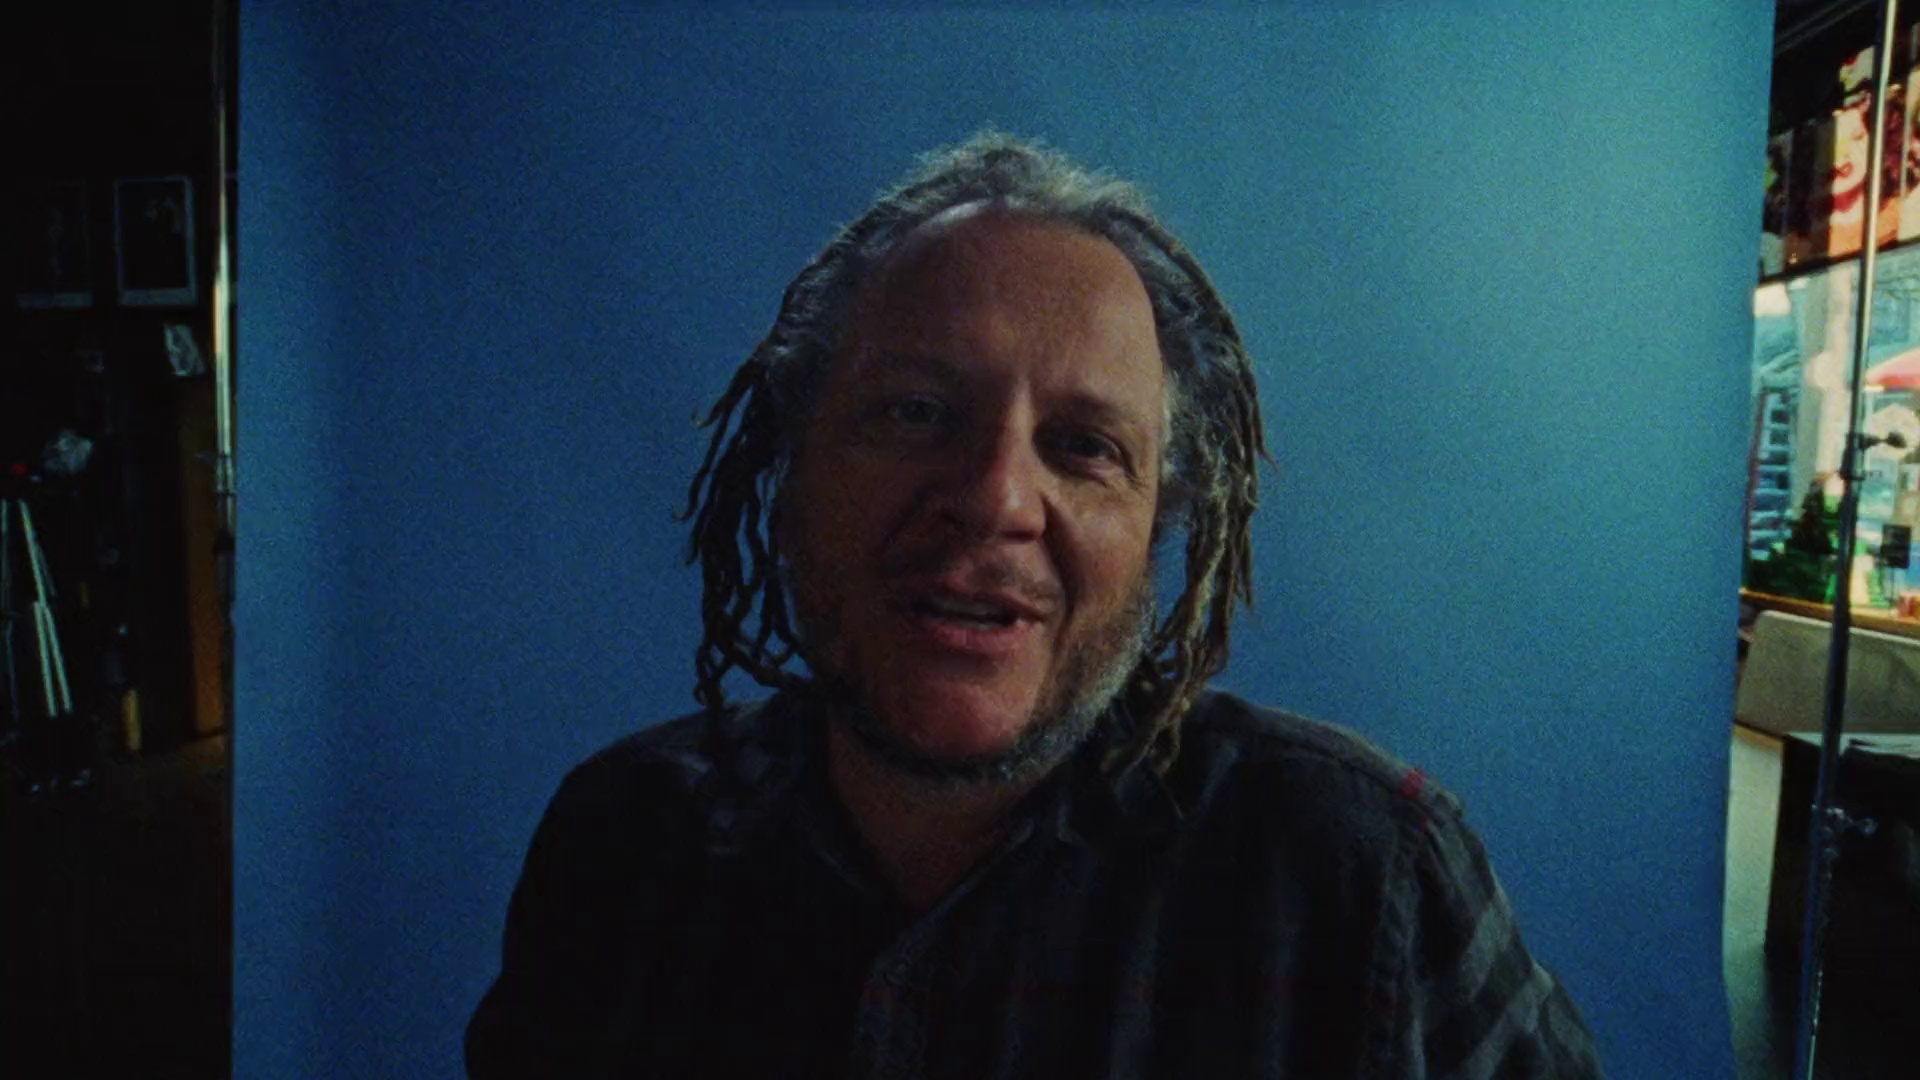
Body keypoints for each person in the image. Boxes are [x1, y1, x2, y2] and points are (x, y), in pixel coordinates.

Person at [466, 132, 1602, 1078]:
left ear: (1158, 524)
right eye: (917, 412)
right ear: (792, 471)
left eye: (1085, 446)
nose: (998, 499)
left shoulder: (1366, 878)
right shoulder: (623, 849)